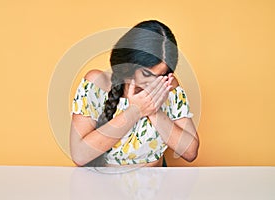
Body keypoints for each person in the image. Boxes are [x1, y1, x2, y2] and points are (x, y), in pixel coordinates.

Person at [70, 20, 199, 167]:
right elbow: (79, 155)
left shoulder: (167, 86)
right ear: (128, 66)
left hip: (157, 186)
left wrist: (153, 110)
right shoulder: (97, 83)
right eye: (146, 73)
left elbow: (190, 152)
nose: (154, 82)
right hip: (106, 186)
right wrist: (134, 111)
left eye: (161, 75)